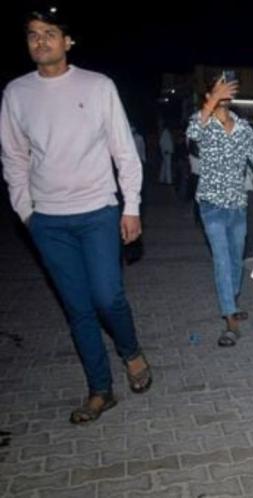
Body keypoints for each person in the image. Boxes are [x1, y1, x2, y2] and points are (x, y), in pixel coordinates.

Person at [0, 8, 152, 424]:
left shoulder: (98, 86)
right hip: (48, 220)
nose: (41, 41)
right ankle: (100, 389)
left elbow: (125, 151)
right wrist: (27, 212)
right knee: (78, 310)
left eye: (50, 33)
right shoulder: (16, 93)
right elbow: (13, 157)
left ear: (67, 41)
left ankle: (130, 350)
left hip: (98, 210)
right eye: (33, 34)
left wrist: (132, 206)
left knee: (107, 297)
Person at [186, 74, 253, 347]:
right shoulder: (202, 124)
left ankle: (232, 300)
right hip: (211, 205)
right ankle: (229, 319)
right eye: (217, 88)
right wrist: (213, 99)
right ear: (209, 96)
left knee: (236, 259)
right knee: (221, 260)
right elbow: (192, 135)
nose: (225, 90)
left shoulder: (241, 127)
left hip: (238, 205)